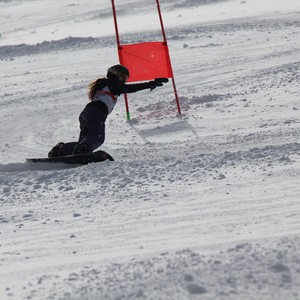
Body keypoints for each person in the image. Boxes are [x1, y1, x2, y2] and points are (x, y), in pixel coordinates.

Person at [48, 64, 169, 158]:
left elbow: (124, 88)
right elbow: (130, 88)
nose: (124, 81)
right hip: (96, 113)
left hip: (86, 113)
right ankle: (76, 150)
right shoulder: (112, 85)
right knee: (97, 138)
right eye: (124, 77)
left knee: (85, 143)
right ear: (117, 75)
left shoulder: (104, 84)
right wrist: (150, 84)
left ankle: (60, 150)